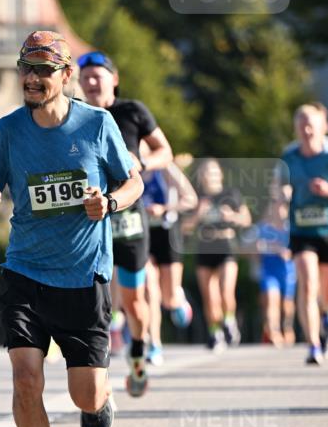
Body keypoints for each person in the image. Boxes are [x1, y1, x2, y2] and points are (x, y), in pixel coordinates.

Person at [0, 31, 142, 427]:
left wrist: (107, 202)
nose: (33, 78)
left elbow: (133, 181)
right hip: (24, 271)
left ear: (66, 76)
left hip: (83, 275)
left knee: (84, 393)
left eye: (45, 70)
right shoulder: (6, 131)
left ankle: (99, 402)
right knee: (26, 378)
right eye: (27, 68)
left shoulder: (97, 125)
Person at [76, 51, 172, 395]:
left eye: (96, 76)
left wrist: (142, 159)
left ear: (113, 78)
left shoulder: (133, 112)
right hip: (89, 219)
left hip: (129, 218)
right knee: (93, 300)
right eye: (84, 77)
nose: (89, 82)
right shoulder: (75, 114)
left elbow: (166, 151)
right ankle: (95, 374)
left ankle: (138, 351)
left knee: (132, 300)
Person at [280, 104, 328, 364]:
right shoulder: (289, 156)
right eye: (301, 125)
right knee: (307, 283)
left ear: (323, 127)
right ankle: (313, 345)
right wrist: (282, 196)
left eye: (311, 125)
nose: (306, 130)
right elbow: (280, 188)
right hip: (301, 230)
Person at [182, 158, 252, 351]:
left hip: (226, 244)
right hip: (204, 246)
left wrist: (232, 216)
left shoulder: (231, 194)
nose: (209, 176)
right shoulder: (197, 197)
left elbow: (246, 219)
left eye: (213, 172)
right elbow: (184, 227)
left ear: (220, 174)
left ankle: (229, 322)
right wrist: (198, 214)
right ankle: (215, 332)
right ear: (201, 177)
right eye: (205, 173)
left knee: (226, 290)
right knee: (210, 296)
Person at [144, 151, 198, 365]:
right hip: (142, 234)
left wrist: (164, 208)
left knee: (168, 299)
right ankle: (154, 343)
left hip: (167, 232)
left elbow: (190, 199)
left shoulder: (165, 167)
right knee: (149, 286)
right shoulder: (129, 167)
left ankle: (178, 298)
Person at [255, 194, 296, 347]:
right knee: (272, 300)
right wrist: (255, 250)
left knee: (286, 304)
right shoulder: (263, 228)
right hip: (269, 269)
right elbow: (248, 247)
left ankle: (287, 328)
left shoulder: (290, 228)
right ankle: (274, 331)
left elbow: (297, 249)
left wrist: (286, 252)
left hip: (287, 270)